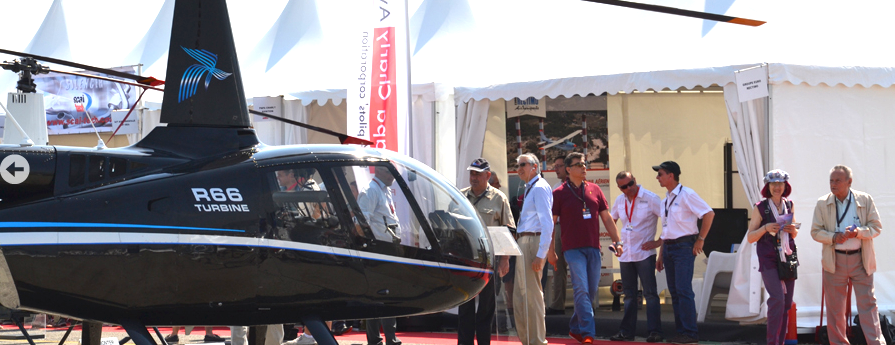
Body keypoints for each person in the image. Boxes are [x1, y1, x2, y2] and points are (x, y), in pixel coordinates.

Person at [810, 165, 885, 345]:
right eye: (831, 180)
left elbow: (876, 228)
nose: (833, 184)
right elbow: (815, 232)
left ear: (849, 182)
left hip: (861, 259)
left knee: (868, 305)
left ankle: (876, 343)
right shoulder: (822, 202)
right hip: (834, 260)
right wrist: (834, 237)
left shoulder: (865, 200)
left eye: (838, 180)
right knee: (835, 309)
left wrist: (858, 232)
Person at [552, 152, 621, 344]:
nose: (584, 168)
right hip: (572, 249)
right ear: (568, 169)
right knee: (581, 289)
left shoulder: (595, 189)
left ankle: (575, 327)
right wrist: (550, 251)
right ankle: (588, 333)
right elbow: (551, 224)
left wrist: (618, 241)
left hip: (593, 248)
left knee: (590, 292)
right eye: (579, 165)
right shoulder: (558, 193)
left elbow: (607, 218)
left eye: (585, 164)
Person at [653, 161, 714, 344]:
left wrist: (701, 239)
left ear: (671, 175)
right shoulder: (665, 200)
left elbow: (709, 213)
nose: (657, 177)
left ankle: (690, 332)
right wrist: (661, 254)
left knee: (683, 290)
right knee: (675, 291)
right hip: (670, 247)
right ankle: (682, 332)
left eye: (660, 174)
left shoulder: (687, 194)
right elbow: (666, 230)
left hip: (683, 246)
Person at [457, 158, 516, 345]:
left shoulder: (499, 198)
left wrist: (505, 259)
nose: (473, 177)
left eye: (477, 174)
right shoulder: (460, 196)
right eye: (471, 173)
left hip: (489, 261)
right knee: (465, 307)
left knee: (486, 308)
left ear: (488, 176)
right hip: (465, 260)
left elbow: (508, 231)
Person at [746, 169, 799, 345]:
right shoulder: (760, 207)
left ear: (786, 186)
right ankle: (772, 343)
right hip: (768, 258)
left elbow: (794, 234)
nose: (777, 187)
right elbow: (751, 237)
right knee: (777, 298)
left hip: (787, 256)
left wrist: (793, 230)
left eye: (780, 183)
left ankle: (780, 342)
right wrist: (765, 228)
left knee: (786, 303)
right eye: (773, 184)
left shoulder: (789, 204)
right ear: (768, 186)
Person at [609, 171, 664, 343]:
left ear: (635, 180)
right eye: (624, 186)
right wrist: (616, 241)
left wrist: (658, 242)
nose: (629, 188)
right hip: (626, 254)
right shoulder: (619, 200)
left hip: (644, 253)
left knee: (650, 294)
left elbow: (669, 219)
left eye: (631, 183)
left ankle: (655, 332)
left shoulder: (650, 198)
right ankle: (627, 332)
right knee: (630, 295)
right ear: (619, 188)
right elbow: (611, 222)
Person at [356, 164, 402, 345]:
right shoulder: (370, 191)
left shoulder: (385, 190)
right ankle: (376, 339)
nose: (393, 176)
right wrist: (367, 249)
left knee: (388, 294)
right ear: (379, 170)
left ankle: (389, 336)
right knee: (377, 295)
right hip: (378, 250)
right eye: (390, 172)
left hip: (389, 249)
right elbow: (360, 223)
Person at [513, 153, 555, 345]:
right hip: (525, 241)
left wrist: (541, 255)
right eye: (517, 165)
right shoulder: (531, 187)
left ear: (535, 167)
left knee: (532, 296)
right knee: (521, 296)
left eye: (523, 164)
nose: (519, 168)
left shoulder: (539, 188)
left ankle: (537, 341)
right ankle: (529, 340)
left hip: (532, 241)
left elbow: (548, 224)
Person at [546, 157, 568, 316]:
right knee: (558, 268)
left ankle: (586, 308)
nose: (556, 169)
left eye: (559, 166)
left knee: (580, 267)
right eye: (555, 166)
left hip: (573, 228)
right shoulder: (556, 187)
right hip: (559, 228)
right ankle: (558, 304)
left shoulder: (581, 186)